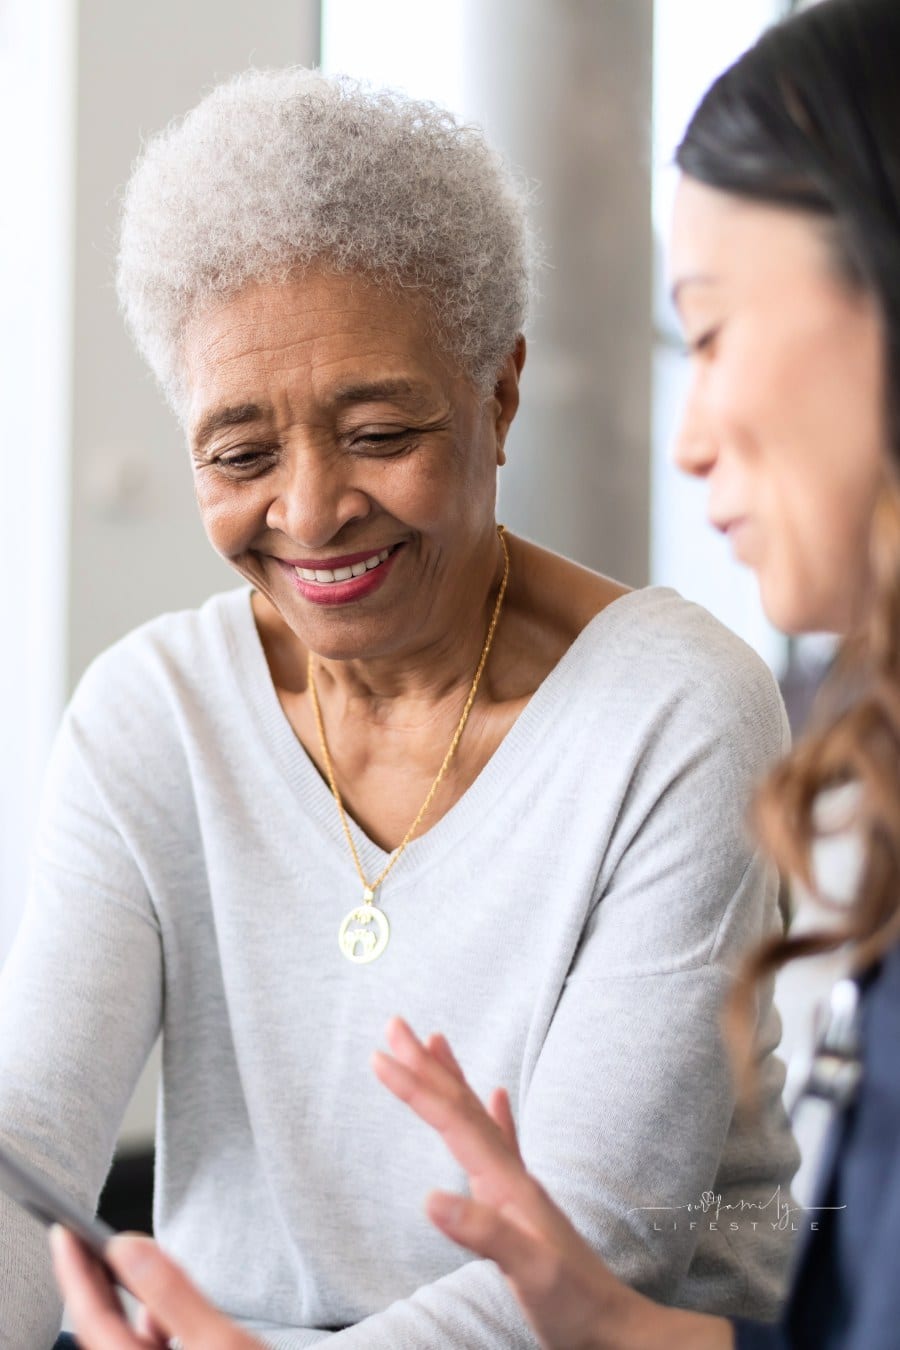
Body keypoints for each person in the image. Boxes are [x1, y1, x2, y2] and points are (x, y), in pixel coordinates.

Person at [0, 69, 798, 1350]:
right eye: (241, 454)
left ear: (500, 392)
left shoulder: (675, 713)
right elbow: (24, 1164)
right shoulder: (150, 715)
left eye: (379, 432)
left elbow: (591, 1253)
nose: (310, 514)